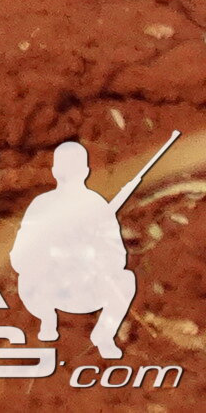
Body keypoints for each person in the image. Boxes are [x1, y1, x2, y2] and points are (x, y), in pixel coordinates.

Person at [16, 141, 135, 359]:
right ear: (86, 172)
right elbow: (19, 258)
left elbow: (118, 258)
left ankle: (104, 335)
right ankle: (47, 319)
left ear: (54, 172)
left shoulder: (96, 206)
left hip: (86, 290)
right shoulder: (42, 205)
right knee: (28, 276)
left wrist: (89, 253)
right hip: (48, 290)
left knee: (125, 279)